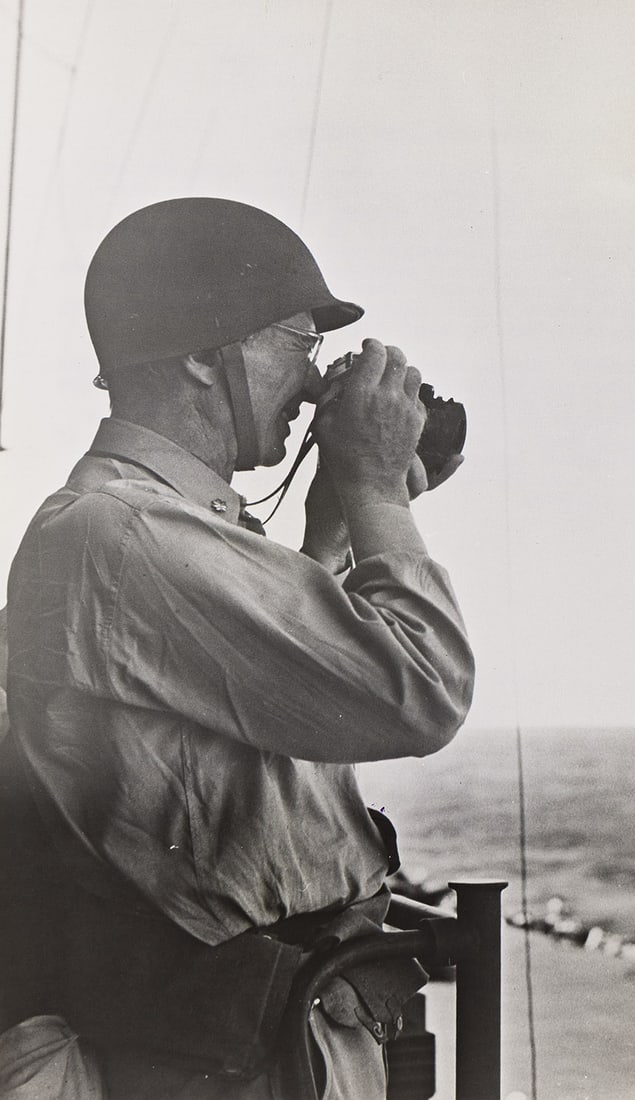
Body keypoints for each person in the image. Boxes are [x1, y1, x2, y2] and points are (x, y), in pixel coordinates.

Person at [0, 197, 474, 1099]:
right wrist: (379, 493)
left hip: (265, 1040)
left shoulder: (139, 530)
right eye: (298, 348)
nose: (310, 386)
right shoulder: (126, 534)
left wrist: (330, 539)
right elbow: (422, 690)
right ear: (199, 356)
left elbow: (247, 734)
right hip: (230, 1062)